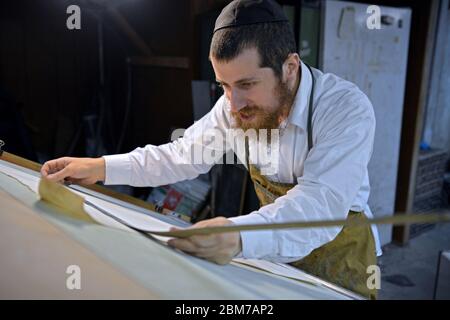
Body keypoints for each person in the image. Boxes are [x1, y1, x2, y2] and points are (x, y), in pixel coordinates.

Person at [41, 0, 381, 299]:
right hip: (276, 257)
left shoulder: (345, 108)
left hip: (340, 261)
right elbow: (183, 155)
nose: (234, 103)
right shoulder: (233, 105)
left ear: (289, 67)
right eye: (225, 85)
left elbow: (318, 206)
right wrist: (100, 167)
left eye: (247, 84)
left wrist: (239, 236)